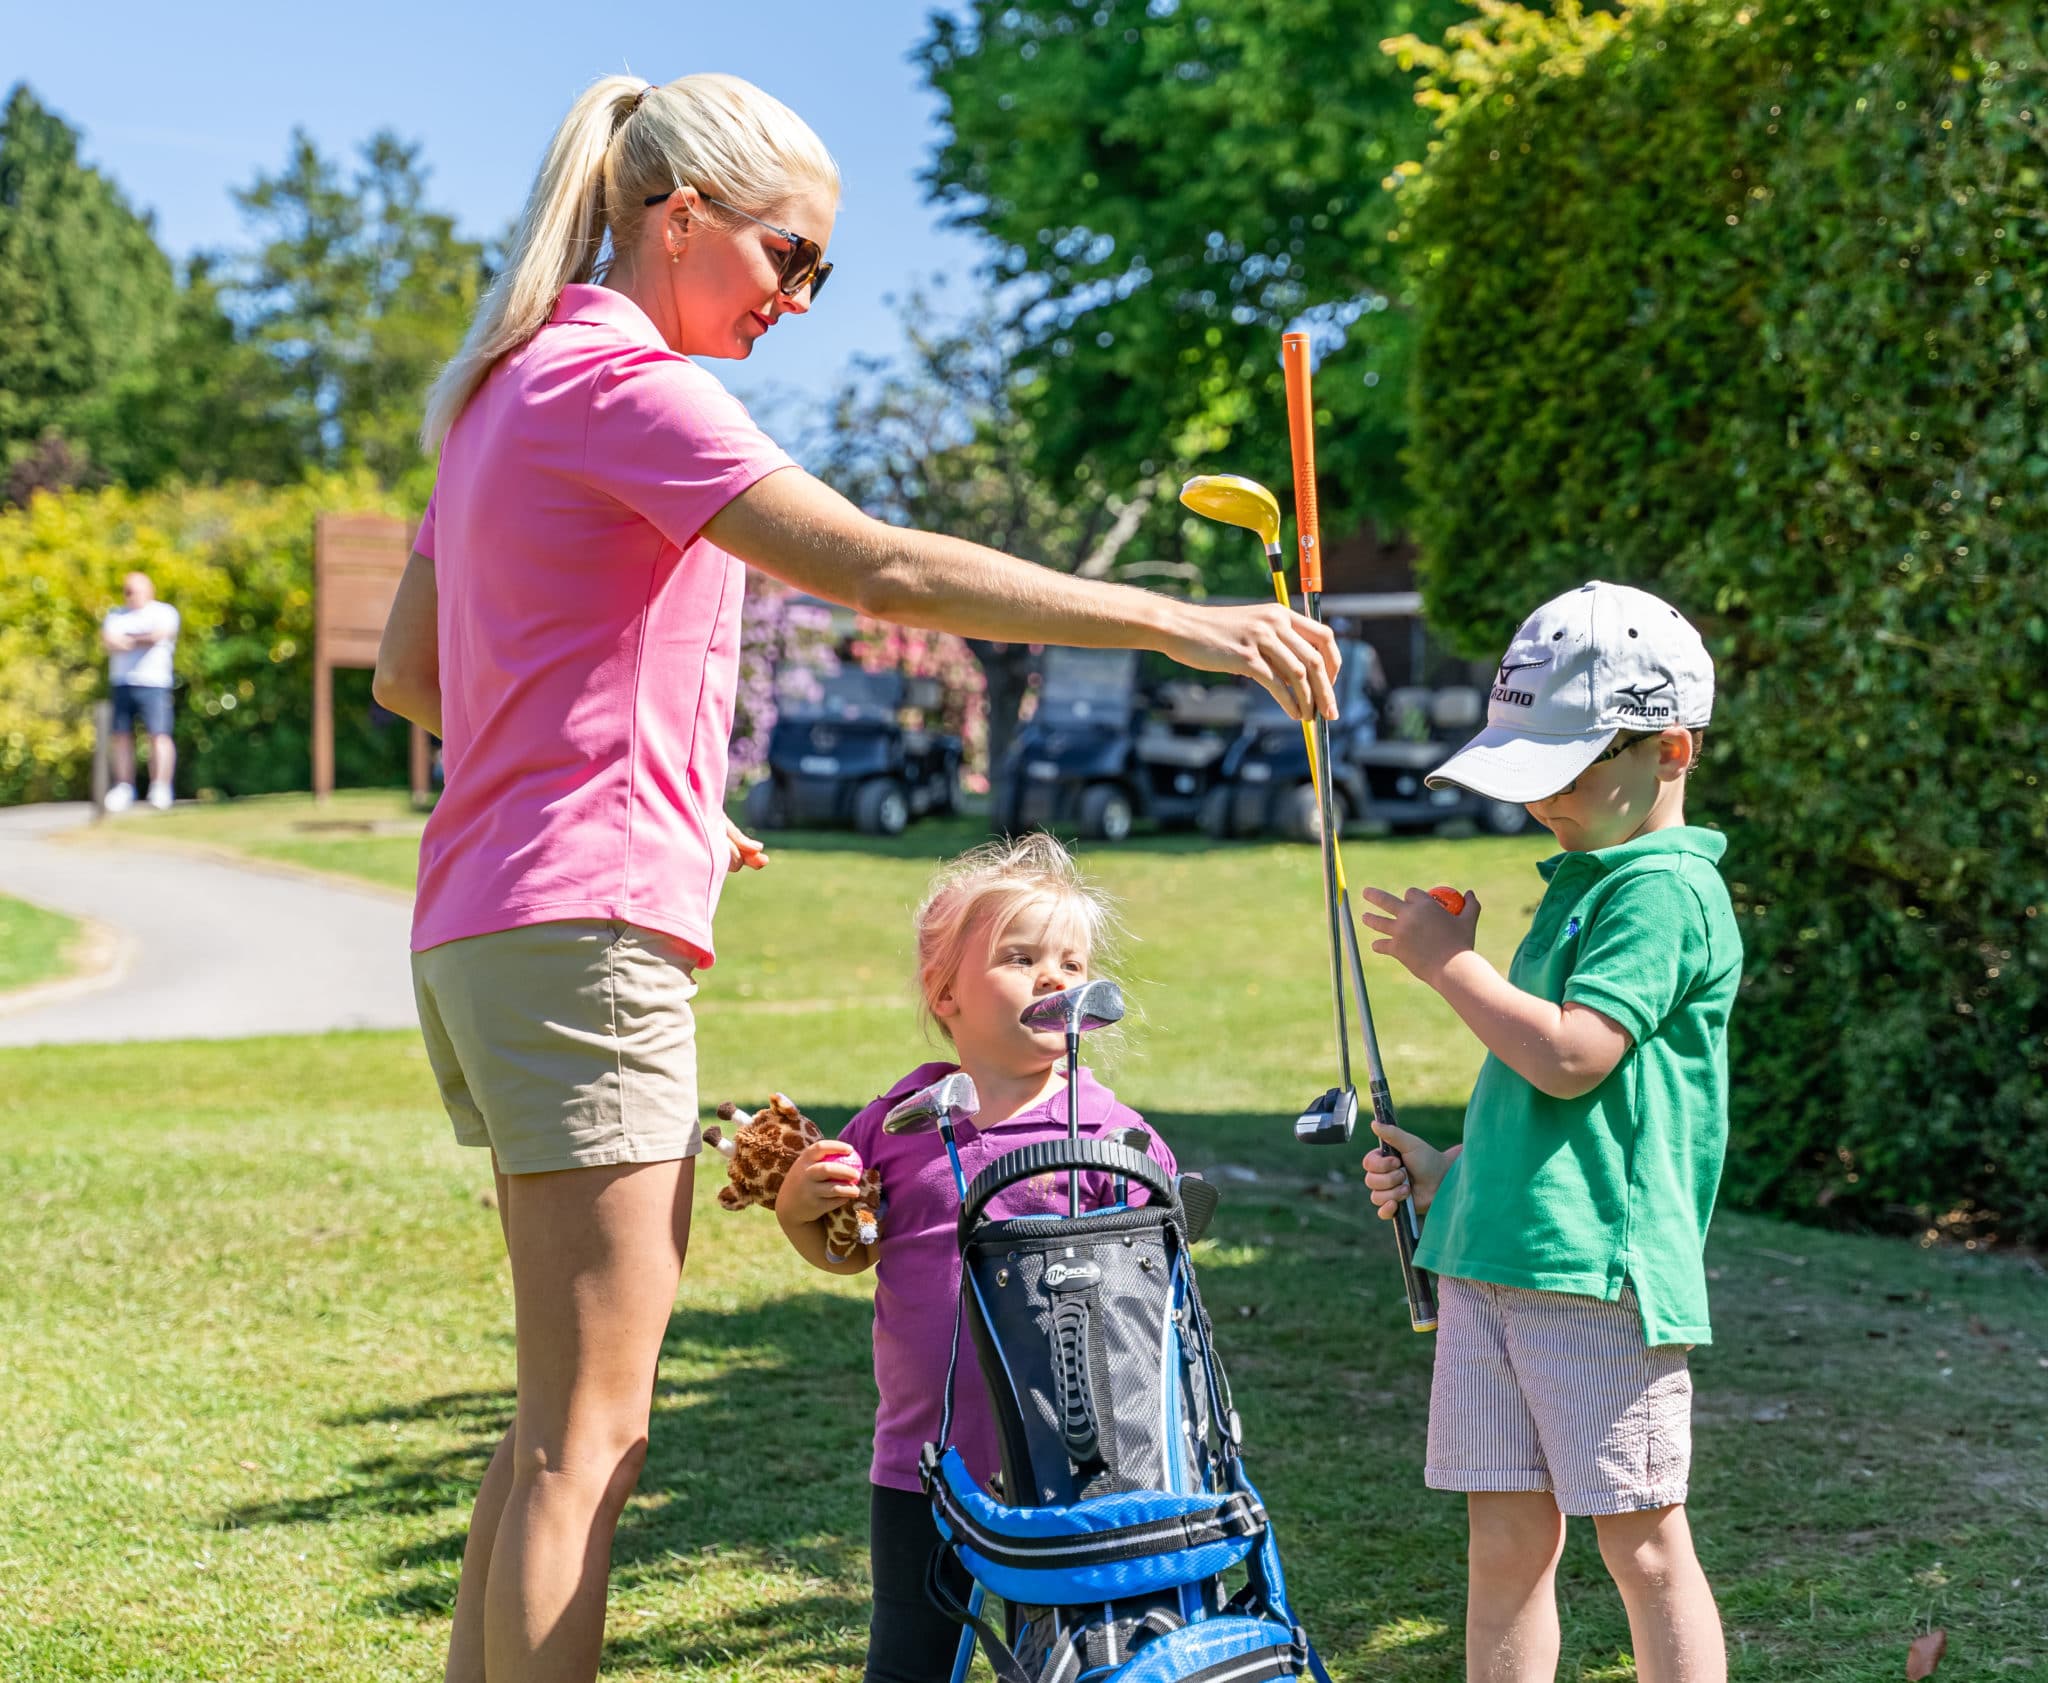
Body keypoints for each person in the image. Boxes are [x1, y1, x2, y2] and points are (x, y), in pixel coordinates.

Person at [368, 72, 1336, 1683]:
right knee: (593, 1433)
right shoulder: (627, 384)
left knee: (553, 1420)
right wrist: (1176, 619)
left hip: (487, 923)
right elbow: (879, 561)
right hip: (582, 924)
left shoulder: (501, 386)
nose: (800, 299)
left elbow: (419, 674)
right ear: (679, 219)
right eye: (788, 255)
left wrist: (644, 780)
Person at [1357, 581, 1740, 1683]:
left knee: (1643, 1545)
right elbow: (1552, 1110)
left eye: (1562, 771)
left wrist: (1450, 965)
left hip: (1597, 1277)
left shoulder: (1662, 893)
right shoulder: (1587, 881)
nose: (1537, 800)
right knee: (1505, 1547)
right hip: (1495, 1258)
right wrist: (1452, 1176)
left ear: (1667, 748)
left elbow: (1574, 1057)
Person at [775, 835, 1176, 1683]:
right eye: (1020, 956)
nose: (1054, 978)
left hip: (1078, 1460)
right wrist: (799, 1206)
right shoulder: (899, 1122)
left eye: (1073, 961)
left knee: (1080, 1657)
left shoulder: (1111, 1134)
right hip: (924, 1459)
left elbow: (1155, 1282)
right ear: (945, 992)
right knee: (910, 1658)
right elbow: (850, 1250)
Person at [100, 571, 179, 812]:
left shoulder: (164, 612)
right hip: (123, 683)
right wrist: (139, 639)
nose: (131, 596)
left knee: (159, 734)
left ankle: (161, 786)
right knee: (121, 736)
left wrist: (129, 640)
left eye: (136, 590)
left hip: (154, 683)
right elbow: (110, 641)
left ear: (149, 590)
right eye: (128, 591)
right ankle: (124, 786)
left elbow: (159, 635)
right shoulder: (115, 615)